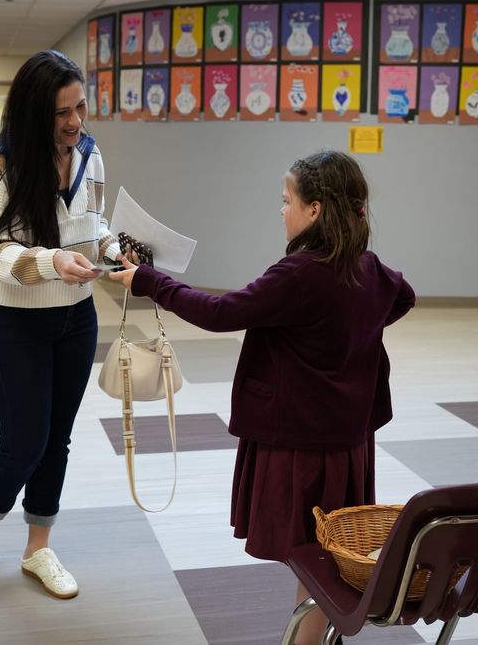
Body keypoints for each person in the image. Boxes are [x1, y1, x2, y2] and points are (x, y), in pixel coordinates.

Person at [110, 150, 415, 644]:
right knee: (327, 553)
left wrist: (150, 281)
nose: (281, 210)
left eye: (287, 200)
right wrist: (353, 336)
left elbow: (220, 313)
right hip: (348, 441)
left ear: (315, 209)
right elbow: (404, 297)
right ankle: (314, 634)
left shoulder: (300, 274)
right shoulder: (367, 266)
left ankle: (308, 638)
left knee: (311, 555)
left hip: (300, 443)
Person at [0, 50, 122, 600]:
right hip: (11, 322)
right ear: (31, 113)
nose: (76, 122)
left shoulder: (89, 154)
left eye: (80, 107)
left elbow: (94, 225)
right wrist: (52, 262)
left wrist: (115, 250)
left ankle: (37, 549)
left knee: (57, 441)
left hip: (77, 320)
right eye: (61, 112)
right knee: (25, 440)